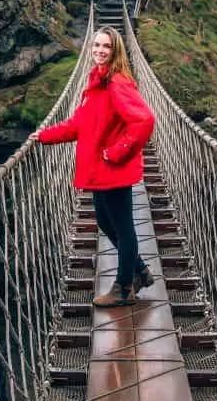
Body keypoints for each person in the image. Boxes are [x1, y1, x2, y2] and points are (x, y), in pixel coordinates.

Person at [30, 26, 156, 307]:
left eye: (106, 47)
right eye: (96, 45)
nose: (100, 50)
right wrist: (46, 135)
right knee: (105, 221)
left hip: (113, 168)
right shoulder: (96, 81)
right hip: (102, 170)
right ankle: (140, 271)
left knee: (123, 228)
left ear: (115, 51)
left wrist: (116, 152)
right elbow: (78, 123)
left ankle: (124, 288)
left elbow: (144, 120)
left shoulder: (116, 83)